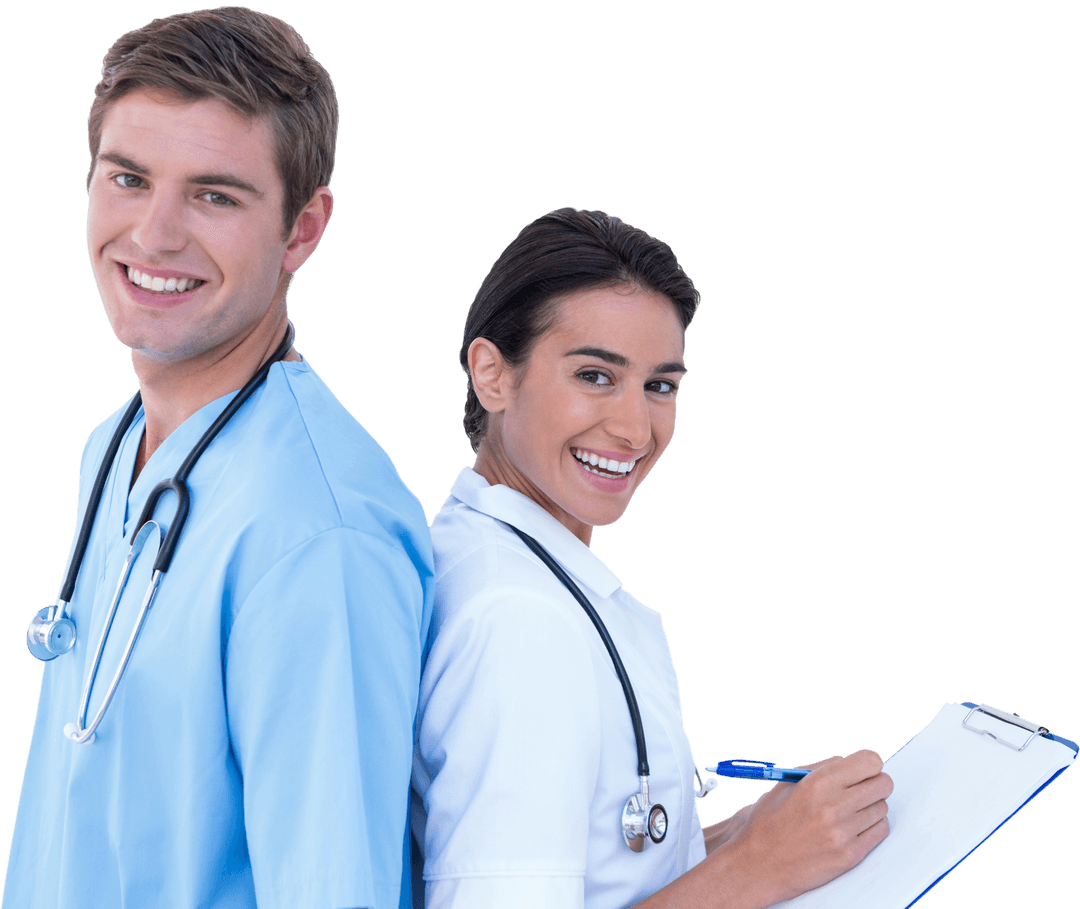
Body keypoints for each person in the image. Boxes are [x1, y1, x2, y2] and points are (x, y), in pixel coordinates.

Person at [4, 8, 432, 909]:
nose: (154, 236)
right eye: (128, 178)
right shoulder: (116, 447)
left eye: (214, 195)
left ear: (302, 231)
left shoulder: (319, 533)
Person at [411, 208, 893, 908]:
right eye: (595, 375)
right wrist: (760, 863)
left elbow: (599, 869)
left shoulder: (512, 570)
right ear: (492, 374)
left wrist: (748, 833)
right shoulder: (518, 621)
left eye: (660, 385)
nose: (636, 429)